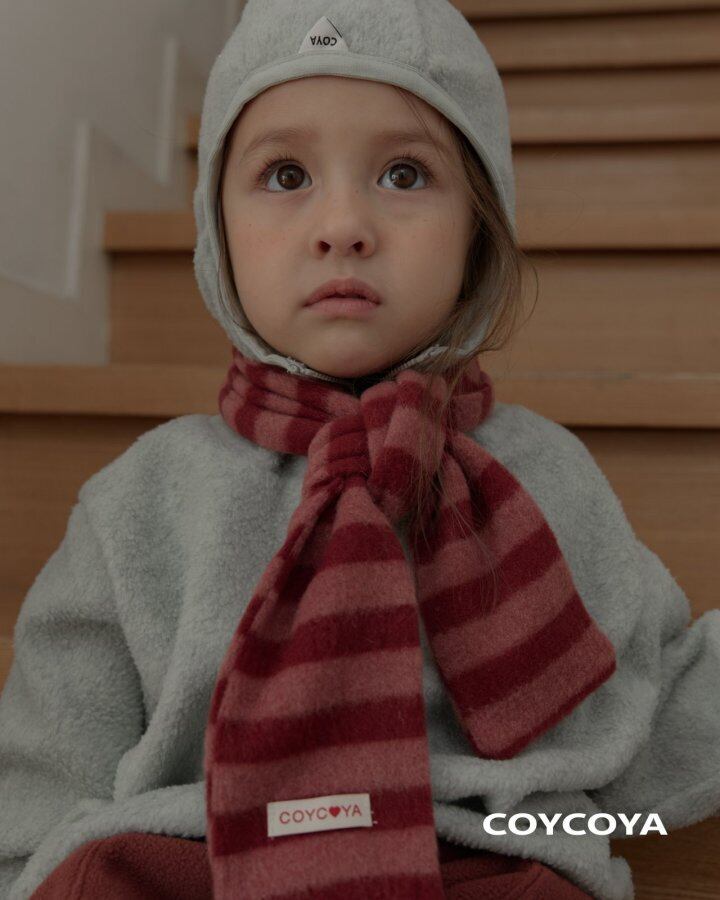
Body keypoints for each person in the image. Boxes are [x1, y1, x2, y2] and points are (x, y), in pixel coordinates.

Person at [1, 1, 719, 898]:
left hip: (480, 859)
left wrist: (568, 828)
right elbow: (39, 785)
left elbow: (649, 719)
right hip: (194, 861)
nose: (343, 224)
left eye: (404, 173)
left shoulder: (546, 475)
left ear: (478, 232)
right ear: (217, 231)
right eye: (287, 174)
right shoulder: (137, 500)